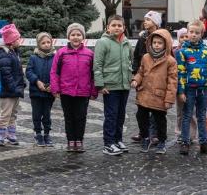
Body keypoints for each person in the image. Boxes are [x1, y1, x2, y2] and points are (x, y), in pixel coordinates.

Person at [51, 23, 97, 153]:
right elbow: (54, 72)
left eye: (78, 34)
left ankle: (79, 141)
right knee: (69, 117)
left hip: (83, 92)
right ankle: (70, 140)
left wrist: (94, 90)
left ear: (83, 37)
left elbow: (93, 74)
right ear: (68, 37)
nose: (76, 37)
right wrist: (55, 88)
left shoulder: (89, 54)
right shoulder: (61, 53)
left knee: (81, 117)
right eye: (73, 34)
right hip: (66, 91)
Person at [176, 20, 207, 156]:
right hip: (189, 88)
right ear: (187, 33)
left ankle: (203, 142)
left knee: (202, 115)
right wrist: (181, 91)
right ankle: (185, 141)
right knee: (187, 115)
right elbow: (180, 72)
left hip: (203, 88)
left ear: (202, 34)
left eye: (197, 32)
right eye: (191, 32)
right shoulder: (182, 52)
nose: (194, 35)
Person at [131, 28, 177, 154]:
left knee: (160, 121)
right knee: (141, 117)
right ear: (150, 43)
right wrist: (136, 80)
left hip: (159, 97)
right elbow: (141, 72)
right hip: (144, 94)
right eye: (154, 42)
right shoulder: (146, 57)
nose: (156, 45)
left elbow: (172, 82)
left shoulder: (170, 61)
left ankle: (161, 141)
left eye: (160, 43)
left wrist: (169, 99)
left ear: (166, 44)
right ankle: (145, 138)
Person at [94, 15, 132, 156]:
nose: (117, 27)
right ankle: (108, 143)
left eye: (119, 25)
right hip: (110, 85)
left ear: (124, 28)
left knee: (121, 115)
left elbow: (129, 61)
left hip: (124, 85)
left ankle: (118, 140)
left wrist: (130, 78)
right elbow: (97, 65)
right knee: (111, 115)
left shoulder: (126, 42)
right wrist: (100, 85)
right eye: (114, 25)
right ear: (108, 27)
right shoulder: (103, 42)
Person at [131, 10, 162, 143]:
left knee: (155, 107)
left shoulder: (161, 37)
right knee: (142, 107)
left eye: (148, 20)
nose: (145, 22)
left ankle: (154, 133)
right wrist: (135, 72)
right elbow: (137, 56)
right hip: (142, 76)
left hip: (157, 77)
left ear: (155, 22)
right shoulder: (142, 37)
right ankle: (143, 132)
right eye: (145, 19)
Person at [0, 23, 26, 146]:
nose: (19, 40)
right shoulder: (4, 54)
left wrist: (21, 84)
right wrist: (14, 87)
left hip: (15, 90)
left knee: (13, 114)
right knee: (5, 114)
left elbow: (18, 71)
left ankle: (11, 134)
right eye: (17, 39)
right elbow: (6, 74)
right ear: (12, 41)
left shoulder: (14, 52)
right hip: (8, 91)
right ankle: (0, 136)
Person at [26, 32, 56, 147]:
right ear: (39, 44)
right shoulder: (33, 57)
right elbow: (29, 71)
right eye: (43, 43)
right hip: (36, 92)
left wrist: (53, 85)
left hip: (49, 92)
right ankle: (38, 133)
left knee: (47, 114)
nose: (46, 45)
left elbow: (57, 72)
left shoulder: (55, 57)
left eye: (48, 42)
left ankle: (47, 134)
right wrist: (37, 81)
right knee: (37, 114)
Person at [172, 27, 196, 143]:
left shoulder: (195, 51)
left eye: (186, 36)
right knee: (180, 112)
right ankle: (179, 133)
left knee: (191, 112)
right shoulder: (175, 52)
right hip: (179, 85)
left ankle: (191, 134)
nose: (184, 39)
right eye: (182, 37)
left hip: (191, 84)